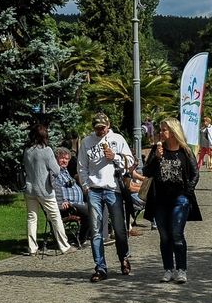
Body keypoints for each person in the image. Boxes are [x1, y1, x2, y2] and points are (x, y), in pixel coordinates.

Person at [142, 118, 203, 284]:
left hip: (180, 198)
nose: (161, 133)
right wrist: (156, 158)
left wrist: (187, 191)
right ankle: (168, 269)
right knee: (164, 236)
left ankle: (181, 269)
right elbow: (146, 171)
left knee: (176, 233)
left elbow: (195, 173)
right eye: (160, 130)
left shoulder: (185, 150)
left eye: (164, 130)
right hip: (160, 198)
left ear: (174, 132)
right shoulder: (157, 149)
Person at [77, 113, 134, 282]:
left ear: (108, 125)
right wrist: (86, 187)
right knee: (96, 230)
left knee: (119, 228)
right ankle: (100, 267)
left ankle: (124, 257)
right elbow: (82, 167)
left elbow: (130, 162)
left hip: (113, 189)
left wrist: (114, 156)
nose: (100, 131)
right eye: (97, 128)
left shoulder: (117, 139)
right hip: (94, 190)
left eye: (102, 127)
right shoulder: (87, 142)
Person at [23, 124, 72, 256]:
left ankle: (32, 248)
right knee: (55, 217)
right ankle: (64, 246)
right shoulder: (47, 150)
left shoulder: (27, 150)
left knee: (32, 218)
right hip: (44, 190)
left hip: (29, 189)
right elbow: (56, 170)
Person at [51, 147, 88, 246]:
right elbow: (55, 189)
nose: (65, 161)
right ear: (56, 159)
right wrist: (62, 201)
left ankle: (89, 236)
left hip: (77, 204)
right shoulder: (54, 173)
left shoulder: (65, 171)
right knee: (90, 211)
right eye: (62, 158)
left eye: (67, 159)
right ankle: (81, 239)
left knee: (97, 206)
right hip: (68, 206)